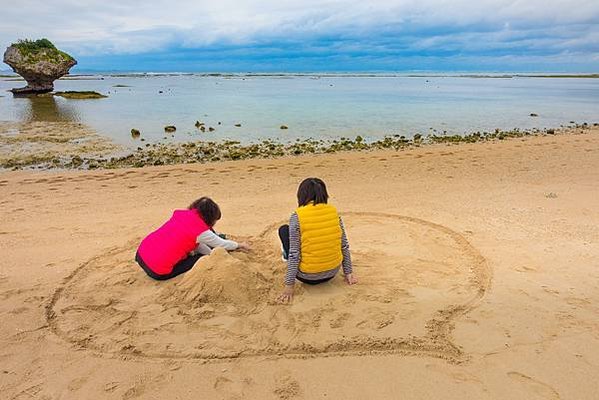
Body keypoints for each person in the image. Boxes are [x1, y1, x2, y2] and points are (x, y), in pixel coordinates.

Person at [277, 178, 357, 303]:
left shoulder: (297, 216)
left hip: (307, 276)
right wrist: (348, 272)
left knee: (284, 230)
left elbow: (295, 254)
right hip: (332, 272)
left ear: (301, 195)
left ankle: (284, 256)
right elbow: (344, 245)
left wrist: (289, 286)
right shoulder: (334, 212)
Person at [135, 197, 249, 280]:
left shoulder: (181, 215)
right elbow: (221, 244)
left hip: (140, 256)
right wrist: (239, 245)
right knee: (200, 259)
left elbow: (197, 242)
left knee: (191, 248)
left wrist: (210, 253)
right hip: (157, 271)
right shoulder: (201, 230)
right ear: (210, 217)